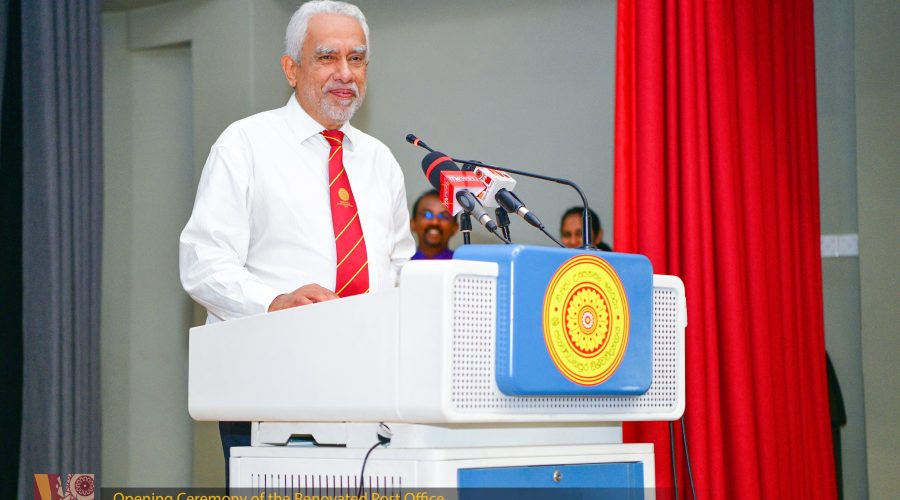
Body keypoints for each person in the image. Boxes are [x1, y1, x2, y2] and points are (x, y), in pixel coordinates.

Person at [178, 0, 415, 486]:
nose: (345, 73)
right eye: (327, 57)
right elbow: (203, 263)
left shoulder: (381, 162)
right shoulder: (245, 145)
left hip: (368, 391)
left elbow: (400, 267)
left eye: (357, 58)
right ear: (291, 69)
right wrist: (275, 303)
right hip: (270, 389)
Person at [409, 189, 458, 260]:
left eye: (444, 216)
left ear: (455, 228)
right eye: (427, 215)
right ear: (413, 223)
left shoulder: (463, 264)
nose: (435, 222)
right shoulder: (400, 263)